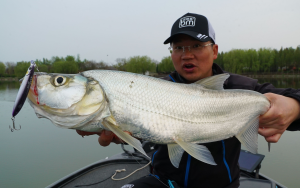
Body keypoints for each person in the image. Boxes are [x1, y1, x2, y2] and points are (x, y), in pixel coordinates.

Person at [77, 13, 300, 188]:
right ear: (171, 52)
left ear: (214, 50)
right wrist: (123, 134)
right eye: (179, 47)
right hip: (163, 182)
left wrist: (295, 107)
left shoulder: (240, 88)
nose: (187, 54)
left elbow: (291, 99)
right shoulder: (153, 90)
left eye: (196, 46)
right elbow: (146, 133)